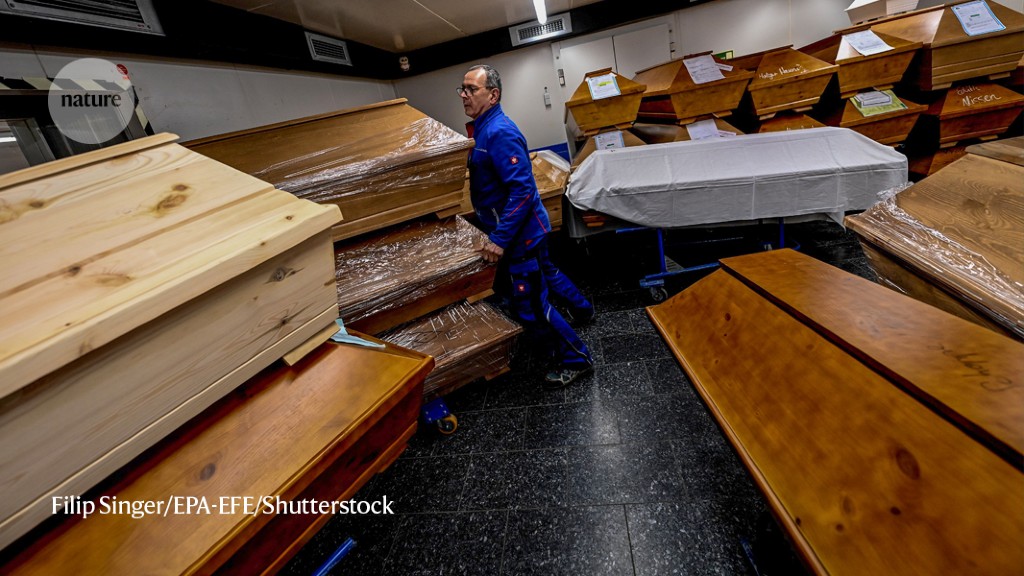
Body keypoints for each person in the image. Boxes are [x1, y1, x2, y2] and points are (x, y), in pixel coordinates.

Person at [459, 64, 594, 387]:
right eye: (462, 89)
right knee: (547, 273)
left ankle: (577, 358)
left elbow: (522, 191)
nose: (463, 95)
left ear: (493, 95)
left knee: (532, 304)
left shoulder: (499, 132)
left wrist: (499, 239)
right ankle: (583, 310)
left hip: (521, 236)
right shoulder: (483, 129)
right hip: (526, 231)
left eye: (471, 89)